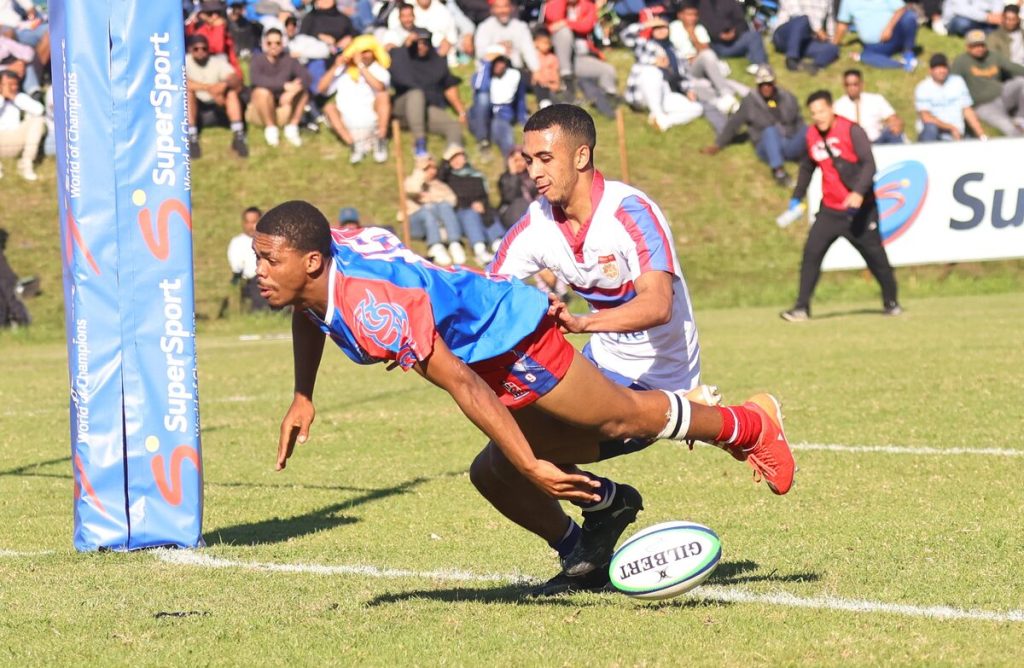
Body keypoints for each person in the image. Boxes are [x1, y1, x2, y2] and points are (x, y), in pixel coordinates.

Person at [255, 199, 795, 597]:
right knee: (494, 473)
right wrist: (304, 394)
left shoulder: (375, 310)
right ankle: (589, 541)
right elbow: (310, 310)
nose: (259, 272)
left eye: (269, 261)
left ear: (311, 261)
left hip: (511, 337)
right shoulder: (323, 264)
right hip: (481, 348)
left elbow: (463, 386)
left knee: (615, 420)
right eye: (258, 258)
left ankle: (744, 426)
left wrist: (535, 464)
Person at [781, 90, 900, 322]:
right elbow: (807, 167)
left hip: (860, 212)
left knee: (876, 258)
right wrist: (797, 196)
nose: (818, 117)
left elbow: (869, 164)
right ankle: (801, 308)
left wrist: (857, 192)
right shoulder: (812, 135)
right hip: (830, 211)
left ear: (831, 108)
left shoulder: (851, 130)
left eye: (822, 111)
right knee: (811, 254)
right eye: (813, 113)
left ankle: (891, 301)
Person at [701, 65, 806, 187]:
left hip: (788, 141)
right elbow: (734, 123)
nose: (766, 87)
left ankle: (813, 160)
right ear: (757, 85)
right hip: (766, 146)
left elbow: (798, 121)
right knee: (770, 131)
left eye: (768, 83)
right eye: (762, 85)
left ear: (774, 83)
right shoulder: (750, 102)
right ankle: (779, 172)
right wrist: (718, 144)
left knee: (808, 130)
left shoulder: (787, 97)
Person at [389, 28, 466, 156]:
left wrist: (461, 111)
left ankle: (454, 158)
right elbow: (397, 76)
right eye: (417, 43)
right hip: (402, 109)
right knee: (416, 94)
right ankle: (420, 142)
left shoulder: (437, 62)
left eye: (424, 43)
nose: (421, 46)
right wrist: (405, 46)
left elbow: (448, 85)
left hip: (426, 109)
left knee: (453, 126)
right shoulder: (401, 57)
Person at [317, 34, 392, 164]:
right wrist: (335, 66)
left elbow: (380, 87)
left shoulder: (379, 70)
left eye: (366, 52)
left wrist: (361, 66)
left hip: (372, 120)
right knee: (329, 107)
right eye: (360, 52)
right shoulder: (343, 71)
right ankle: (354, 146)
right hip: (347, 122)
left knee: (384, 97)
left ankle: (380, 140)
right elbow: (321, 89)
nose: (363, 55)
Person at [624, 17, 706, 132]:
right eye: (657, 28)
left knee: (697, 108)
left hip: (665, 92)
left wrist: (689, 90)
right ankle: (658, 114)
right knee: (652, 71)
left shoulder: (675, 51)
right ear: (652, 30)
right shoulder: (645, 44)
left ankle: (664, 121)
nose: (661, 30)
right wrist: (646, 24)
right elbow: (626, 35)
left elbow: (683, 76)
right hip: (643, 94)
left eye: (663, 27)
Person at [438, 143, 505, 263]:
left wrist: (481, 204)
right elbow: (440, 174)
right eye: (453, 159)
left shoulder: (476, 176)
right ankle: (479, 249)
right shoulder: (448, 177)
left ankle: (498, 245)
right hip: (461, 211)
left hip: (480, 208)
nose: (457, 161)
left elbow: (484, 196)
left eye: (459, 157)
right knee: (470, 214)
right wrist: (445, 159)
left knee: (489, 212)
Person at [668, 2, 743, 110]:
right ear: (680, 15)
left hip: (698, 65)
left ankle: (727, 95)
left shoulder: (699, 29)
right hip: (683, 66)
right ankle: (727, 96)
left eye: (695, 15)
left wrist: (693, 36)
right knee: (710, 81)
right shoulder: (672, 28)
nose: (692, 18)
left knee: (708, 56)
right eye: (689, 15)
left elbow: (706, 51)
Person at [185, 34, 249, 159]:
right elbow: (181, 82)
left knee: (231, 93)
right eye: (196, 49)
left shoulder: (217, 62)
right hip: (197, 105)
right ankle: (192, 136)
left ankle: (238, 134)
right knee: (188, 93)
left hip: (217, 104)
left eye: (204, 48)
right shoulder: (184, 61)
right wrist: (210, 89)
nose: (200, 52)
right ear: (190, 49)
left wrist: (224, 85)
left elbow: (235, 79)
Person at [952, 28, 1024, 137]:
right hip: (983, 106)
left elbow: (1012, 67)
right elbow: (952, 85)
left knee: (1021, 82)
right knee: (1009, 128)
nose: (979, 48)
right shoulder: (961, 62)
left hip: (1003, 95)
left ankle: (1020, 118)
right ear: (968, 47)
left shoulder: (993, 55)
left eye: (981, 45)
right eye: (975, 45)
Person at [247, 28, 312, 147]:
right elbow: (256, 79)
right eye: (269, 43)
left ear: (282, 44)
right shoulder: (257, 59)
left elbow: (307, 77)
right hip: (262, 105)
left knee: (304, 93)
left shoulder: (289, 60)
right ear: (264, 44)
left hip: (284, 104)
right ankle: (271, 130)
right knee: (262, 92)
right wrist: (283, 85)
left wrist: (293, 91)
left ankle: (292, 128)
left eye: (277, 43)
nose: (273, 46)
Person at [543, 0, 618, 102]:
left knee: (608, 70)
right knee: (564, 32)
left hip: (580, 57)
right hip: (558, 58)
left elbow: (587, 26)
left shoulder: (588, 5)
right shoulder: (555, 3)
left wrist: (565, 22)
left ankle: (608, 99)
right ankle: (566, 76)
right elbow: (554, 18)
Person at [402, 152, 467, 265]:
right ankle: (434, 245)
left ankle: (454, 242)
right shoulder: (412, 181)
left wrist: (434, 199)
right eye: (427, 168)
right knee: (427, 210)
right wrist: (420, 172)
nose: (431, 171)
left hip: (438, 224)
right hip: (415, 225)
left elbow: (452, 200)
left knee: (443, 205)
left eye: (433, 168)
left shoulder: (439, 185)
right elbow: (412, 189)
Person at [468, 50, 528, 157]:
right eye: (496, 62)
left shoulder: (513, 75)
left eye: (502, 62)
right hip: (481, 117)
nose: (499, 65)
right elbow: (480, 86)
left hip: (501, 116)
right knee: (483, 97)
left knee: (505, 137)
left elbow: (520, 98)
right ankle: (483, 141)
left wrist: (522, 117)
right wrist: (486, 65)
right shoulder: (483, 75)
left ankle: (513, 161)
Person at [915, 53, 988, 141]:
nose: (941, 70)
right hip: (935, 134)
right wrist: (951, 128)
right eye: (937, 68)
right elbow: (926, 117)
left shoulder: (958, 82)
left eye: (944, 67)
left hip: (957, 134)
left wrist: (981, 135)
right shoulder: (923, 87)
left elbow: (967, 110)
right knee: (931, 128)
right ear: (930, 70)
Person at [833, 0, 919, 71]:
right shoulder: (847, 2)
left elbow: (901, 9)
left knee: (909, 17)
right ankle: (901, 65)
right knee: (864, 57)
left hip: (894, 36)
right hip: (873, 46)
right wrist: (834, 44)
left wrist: (888, 28)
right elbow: (842, 24)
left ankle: (908, 52)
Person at [833, 68, 906, 144]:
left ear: (861, 84)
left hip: (877, 141)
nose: (852, 88)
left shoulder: (876, 100)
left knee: (894, 134)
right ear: (844, 86)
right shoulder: (838, 106)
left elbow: (893, 118)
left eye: (855, 84)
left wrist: (895, 124)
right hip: (852, 144)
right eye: (848, 85)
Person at [697, 0, 768, 72]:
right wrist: (719, 35)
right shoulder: (701, 6)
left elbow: (741, 22)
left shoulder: (731, 2)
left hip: (736, 41)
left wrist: (734, 33)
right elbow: (704, 27)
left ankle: (760, 65)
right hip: (717, 46)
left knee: (754, 35)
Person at [770, 0, 840, 73]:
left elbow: (830, 19)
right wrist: (817, 29)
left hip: (806, 39)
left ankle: (815, 65)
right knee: (803, 20)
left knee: (833, 48)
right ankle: (792, 59)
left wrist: (831, 39)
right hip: (784, 36)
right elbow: (795, 13)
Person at [0, 69, 43, 181]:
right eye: (8, 84)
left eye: (15, 84)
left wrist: (13, 97)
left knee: (38, 120)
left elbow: (39, 110)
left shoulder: (20, 97)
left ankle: (26, 163)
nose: (13, 87)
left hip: (15, 139)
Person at [228, 206, 271, 311]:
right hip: (252, 282)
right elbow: (237, 268)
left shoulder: (269, 239)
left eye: (254, 222)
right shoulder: (237, 242)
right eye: (248, 222)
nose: (251, 226)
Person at [496, 144, 538, 229]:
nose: (519, 163)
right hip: (511, 211)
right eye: (516, 160)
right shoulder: (505, 178)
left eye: (522, 160)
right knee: (520, 202)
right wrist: (513, 174)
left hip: (533, 211)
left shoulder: (532, 175)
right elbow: (510, 196)